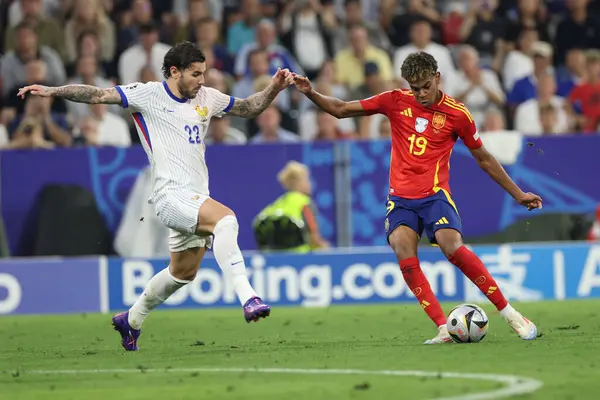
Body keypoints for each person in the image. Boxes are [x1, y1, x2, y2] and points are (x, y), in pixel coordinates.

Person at [18, 41, 294, 351]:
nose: (202, 80)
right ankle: (249, 297)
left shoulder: (206, 97)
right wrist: (54, 91)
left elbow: (248, 107)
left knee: (182, 273)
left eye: (203, 73)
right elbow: (97, 94)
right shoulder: (147, 94)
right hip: (169, 195)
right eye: (195, 74)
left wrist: (274, 87)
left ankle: (131, 320)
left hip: (195, 196)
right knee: (226, 220)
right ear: (174, 71)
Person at [290, 51, 542, 344]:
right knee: (401, 247)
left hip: (434, 196)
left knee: (453, 247)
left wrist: (519, 194)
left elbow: (484, 158)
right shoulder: (394, 101)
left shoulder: (457, 114)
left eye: (425, 85)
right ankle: (442, 327)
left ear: (437, 78)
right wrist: (310, 93)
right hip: (400, 199)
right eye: (414, 87)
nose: (421, 93)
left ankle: (511, 314)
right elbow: (341, 109)